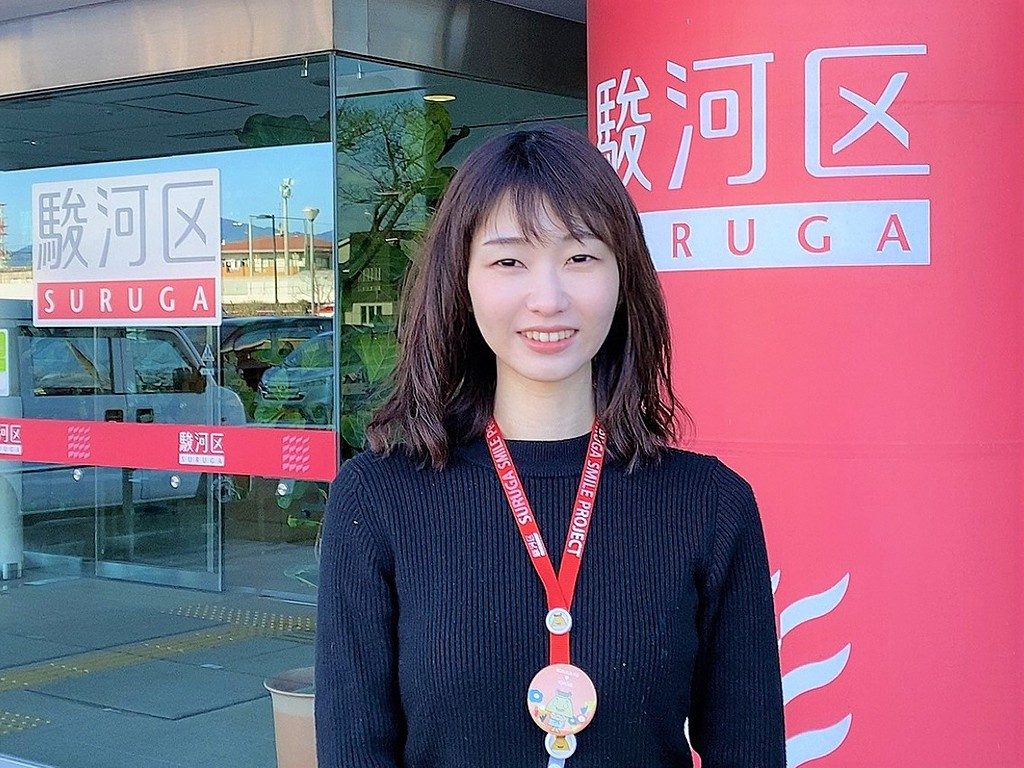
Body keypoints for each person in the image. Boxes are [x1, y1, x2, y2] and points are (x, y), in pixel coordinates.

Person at [315, 126, 785, 767]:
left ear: (624, 277)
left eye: (581, 258)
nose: (548, 299)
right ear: (462, 280)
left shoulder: (711, 504)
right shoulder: (377, 498)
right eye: (509, 261)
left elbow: (749, 752)